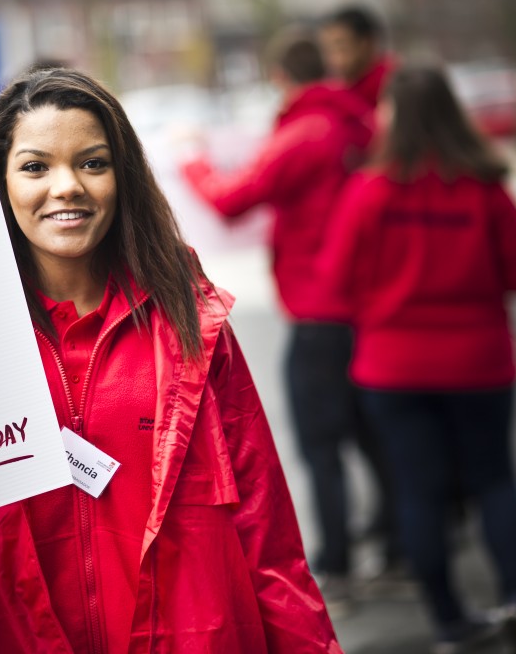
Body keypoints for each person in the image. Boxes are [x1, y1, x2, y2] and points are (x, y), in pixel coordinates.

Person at [0, 67, 343, 652]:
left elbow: (266, 532)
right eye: (36, 166)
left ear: (122, 177)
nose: (66, 185)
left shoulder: (191, 321)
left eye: (92, 163)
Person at [318, 65, 516, 654]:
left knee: (419, 494)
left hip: (394, 368)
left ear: (392, 115)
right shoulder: (483, 186)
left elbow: (335, 281)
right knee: (494, 480)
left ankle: (449, 622)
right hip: (480, 362)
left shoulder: (367, 191)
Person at [181, 31, 398, 610]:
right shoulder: (361, 124)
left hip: (318, 307)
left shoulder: (305, 132)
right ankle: (401, 544)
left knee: (319, 443)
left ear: (281, 77)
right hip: (365, 305)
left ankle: (337, 562)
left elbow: (231, 198)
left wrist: (194, 162)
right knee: (368, 431)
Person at [318, 4, 397, 108]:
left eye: (341, 49)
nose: (333, 60)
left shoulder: (391, 82)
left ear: (365, 43)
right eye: (328, 51)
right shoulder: (334, 89)